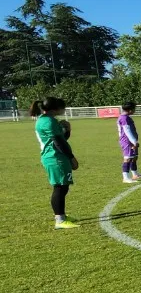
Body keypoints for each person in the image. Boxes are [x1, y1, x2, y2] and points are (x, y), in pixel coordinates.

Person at [31, 97, 80, 229]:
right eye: (63, 107)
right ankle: (60, 220)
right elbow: (58, 143)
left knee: (63, 186)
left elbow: (61, 139)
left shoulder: (47, 120)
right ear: (56, 108)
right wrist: (71, 157)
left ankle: (61, 216)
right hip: (55, 157)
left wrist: (67, 130)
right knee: (60, 187)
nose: (64, 110)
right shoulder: (48, 122)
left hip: (56, 156)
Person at [118, 101, 141, 183]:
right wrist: (134, 141)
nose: (135, 110)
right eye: (134, 109)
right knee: (128, 158)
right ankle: (125, 178)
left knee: (134, 157)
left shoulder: (127, 117)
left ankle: (135, 174)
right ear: (130, 110)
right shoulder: (124, 118)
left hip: (131, 140)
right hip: (127, 141)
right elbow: (127, 131)